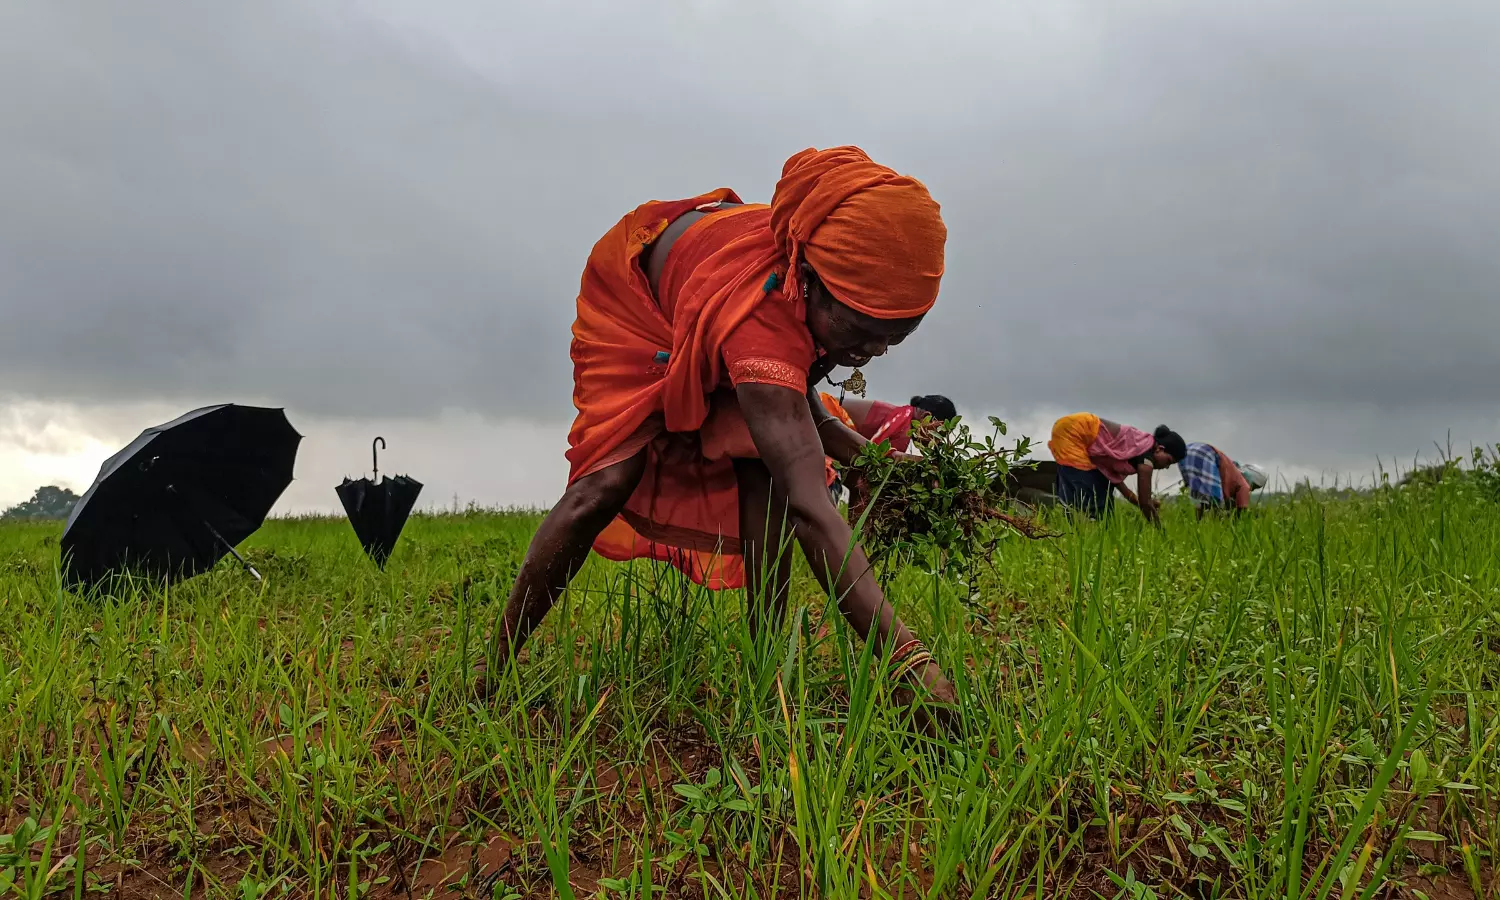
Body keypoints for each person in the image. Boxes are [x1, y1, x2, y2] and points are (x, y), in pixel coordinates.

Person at [484, 146, 954, 712]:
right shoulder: (762, 312)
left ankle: (766, 672)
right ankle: (493, 667)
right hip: (639, 304)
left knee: (765, 466)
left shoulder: (802, 295)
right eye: (859, 329)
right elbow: (813, 506)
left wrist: (873, 464)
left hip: (717, 302)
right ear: (807, 276)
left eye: (892, 339)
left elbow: (800, 398)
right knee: (606, 484)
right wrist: (912, 665)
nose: (870, 353)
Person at [1047, 414, 1186, 523]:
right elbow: (1145, 502)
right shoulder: (1146, 458)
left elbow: (1119, 486)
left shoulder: (1138, 448)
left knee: (1103, 492)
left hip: (1071, 428)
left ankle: (1087, 531)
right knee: (1091, 496)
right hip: (1073, 431)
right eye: (1168, 461)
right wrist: (1160, 531)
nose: (1166, 467)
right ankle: (1080, 532)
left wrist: (1139, 502)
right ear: (1160, 449)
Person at [1180, 441, 1252, 516]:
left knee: (1200, 497)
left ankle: (1198, 522)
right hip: (1206, 453)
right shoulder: (1244, 485)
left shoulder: (1234, 473)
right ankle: (1202, 522)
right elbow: (1242, 511)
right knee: (1214, 501)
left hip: (1187, 451)